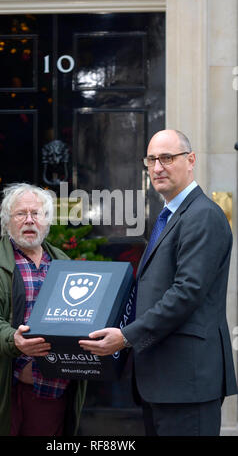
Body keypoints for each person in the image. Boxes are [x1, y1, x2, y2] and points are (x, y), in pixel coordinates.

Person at [79, 129, 237, 436]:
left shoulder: (202, 215)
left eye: (167, 158)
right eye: (151, 159)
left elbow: (186, 293)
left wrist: (125, 336)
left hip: (187, 383)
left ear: (191, 161)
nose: (157, 167)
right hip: (163, 382)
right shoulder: (171, 214)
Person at [0, 183, 87, 436]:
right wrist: (13, 340)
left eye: (36, 213)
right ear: (7, 221)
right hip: (4, 390)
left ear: (47, 221)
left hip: (53, 390)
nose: (29, 220)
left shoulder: (63, 262)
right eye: (21, 214)